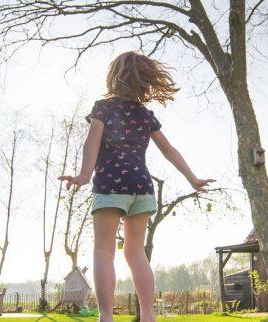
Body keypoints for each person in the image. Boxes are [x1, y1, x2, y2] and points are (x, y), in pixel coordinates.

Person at [59, 51, 214, 322]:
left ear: (114, 77)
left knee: (104, 250)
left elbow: (91, 143)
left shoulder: (103, 108)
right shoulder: (144, 114)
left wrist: (84, 176)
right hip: (142, 187)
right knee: (135, 252)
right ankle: (149, 316)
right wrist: (192, 178)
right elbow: (169, 151)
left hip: (110, 186)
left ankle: (106, 317)